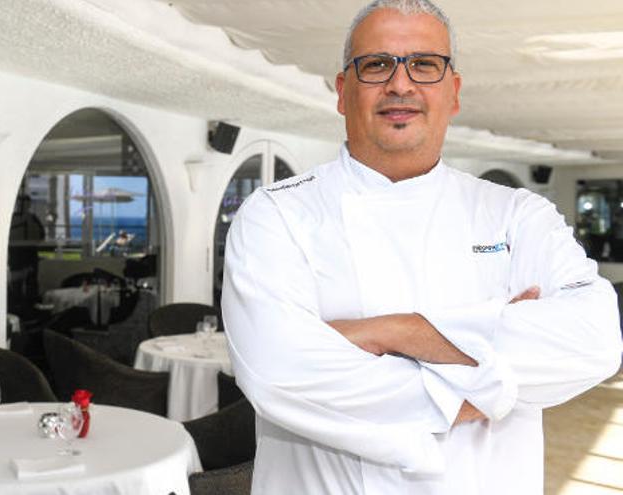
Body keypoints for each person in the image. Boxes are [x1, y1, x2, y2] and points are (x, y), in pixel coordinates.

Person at [220, 1, 623, 494]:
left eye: (425, 64)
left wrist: (398, 332)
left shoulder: (517, 213)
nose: (401, 84)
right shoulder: (275, 213)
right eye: (377, 64)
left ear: (453, 92)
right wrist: (494, 384)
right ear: (343, 92)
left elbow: (596, 340)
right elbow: (279, 373)